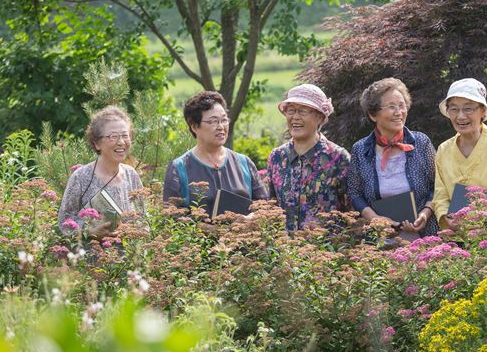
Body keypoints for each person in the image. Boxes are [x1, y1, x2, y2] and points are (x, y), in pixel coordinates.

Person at [347, 78, 438, 239]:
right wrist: (376, 220)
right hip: (382, 238)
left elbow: (438, 185)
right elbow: (355, 193)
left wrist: (425, 213)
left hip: (425, 235)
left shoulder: (421, 142)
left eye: (402, 106)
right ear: (373, 114)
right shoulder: (360, 150)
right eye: (391, 107)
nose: (399, 112)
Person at [433, 78, 487, 230]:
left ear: (482, 111)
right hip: (458, 236)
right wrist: (446, 217)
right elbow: (440, 195)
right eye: (454, 109)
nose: (460, 116)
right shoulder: (443, 150)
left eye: (468, 109)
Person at [163, 91, 267, 215]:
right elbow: (170, 218)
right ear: (194, 126)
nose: (221, 127)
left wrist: (250, 219)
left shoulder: (244, 163)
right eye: (213, 121)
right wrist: (206, 228)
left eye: (224, 120)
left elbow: (264, 207)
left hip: (244, 233)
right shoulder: (179, 168)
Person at [266, 84, 351, 230]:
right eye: (291, 110)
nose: (295, 117)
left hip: (328, 248)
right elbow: (271, 206)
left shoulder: (338, 158)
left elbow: (352, 212)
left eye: (303, 111)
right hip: (285, 249)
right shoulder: (277, 157)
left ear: (320, 117)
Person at [58, 106, 143, 239]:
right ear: (96, 143)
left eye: (125, 135)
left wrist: (130, 231)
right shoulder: (81, 177)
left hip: (130, 257)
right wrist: (89, 231)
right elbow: (65, 222)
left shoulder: (131, 175)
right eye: (113, 136)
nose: (121, 142)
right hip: (89, 257)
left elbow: (143, 220)